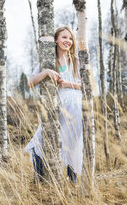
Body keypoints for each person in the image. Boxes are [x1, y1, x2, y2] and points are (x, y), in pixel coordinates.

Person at [24, 26, 83, 184]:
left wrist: (69, 84)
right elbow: (30, 82)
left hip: (76, 109)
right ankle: (40, 183)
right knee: (39, 143)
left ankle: (73, 185)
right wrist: (45, 73)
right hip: (56, 109)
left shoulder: (76, 61)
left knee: (73, 147)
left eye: (70, 38)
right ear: (56, 40)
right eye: (64, 37)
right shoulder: (49, 61)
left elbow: (88, 86)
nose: (68, 41)